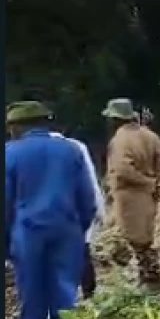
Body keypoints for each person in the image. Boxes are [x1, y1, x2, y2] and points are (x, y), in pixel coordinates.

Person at [6, 100, 98, 319]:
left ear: (18, 126)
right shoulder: (70, 150)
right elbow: (87, 199)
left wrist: (6, 242)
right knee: (65, 285)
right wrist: (79, 229)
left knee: (30, 284)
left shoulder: (9, 154)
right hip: (67, 229)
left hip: (27, 231)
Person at [102, 98, 160, 291]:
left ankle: (149, 281)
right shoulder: (150, 135)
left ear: (115, 119)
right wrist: (159, 185)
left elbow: (121, 170)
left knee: (136, 240)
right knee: (146, 236)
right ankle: (150, 278)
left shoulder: (119, 140)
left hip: (129, 196)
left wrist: (147, 183)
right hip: (150, 196)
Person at [47, 124, 105, 300]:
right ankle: (89, 295)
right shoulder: (76, 147)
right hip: (77, 211)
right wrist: (100, 209)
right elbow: (90, 179)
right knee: (83, 253)